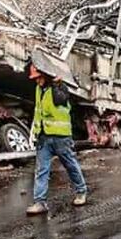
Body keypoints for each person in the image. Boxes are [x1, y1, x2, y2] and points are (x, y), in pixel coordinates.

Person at [26, 64, 87, 215]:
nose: (37, 81)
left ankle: (81, 191)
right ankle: (40, 202)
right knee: (41, 170)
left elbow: (60, 99)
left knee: (70, 165)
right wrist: (35, 132)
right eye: (35, 79)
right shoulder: (39, 90)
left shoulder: (60, 88)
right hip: (44, 137)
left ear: (45, 75)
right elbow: (38, 111)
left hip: (61, 137)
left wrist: (57, 84)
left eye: (38, 78)